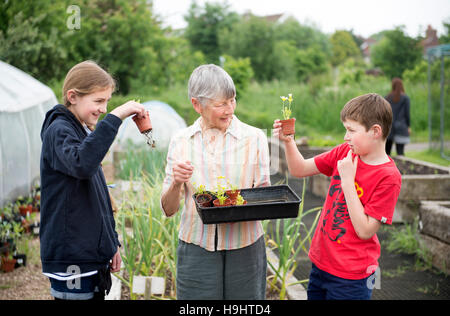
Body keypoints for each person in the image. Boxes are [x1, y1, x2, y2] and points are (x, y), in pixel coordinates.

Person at [273, 93, 402, 300]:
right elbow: (299, 169)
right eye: (345, 130)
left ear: (375, 131)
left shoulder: (389, 177)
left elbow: (365, 230)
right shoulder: (345, 153)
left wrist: (348, 181)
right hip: (321, 265)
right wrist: (289, 142)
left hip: (352, 277)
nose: (345, 137)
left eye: (351, 130)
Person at [160, 64, 270, 300]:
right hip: (196, 245)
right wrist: (177, 183)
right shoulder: (181, 141)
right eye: (220, 104)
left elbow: (264, 197)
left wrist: (237, 207)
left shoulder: (255, 138)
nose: (229, 109)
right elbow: (169, 209)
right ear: (196, 105)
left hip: (246, 245)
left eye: (232, 100)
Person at [40, 60, 146, 300]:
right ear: (72, 96)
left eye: (107, 102)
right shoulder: (58, 130)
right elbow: (82, 164)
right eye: (98, 101)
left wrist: (110, 244)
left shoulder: (79, 131)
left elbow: (98, 197)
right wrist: (117, 116)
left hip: (89, 255)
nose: (103, 108)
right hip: (73, 261)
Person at [385, 78, 411, 156]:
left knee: (386, 153)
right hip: (401, 127)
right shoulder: (405, 98)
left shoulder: (387, 97)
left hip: (389, 127)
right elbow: (407, 114)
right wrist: (408, 126)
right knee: (400, 153)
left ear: (392, 86)